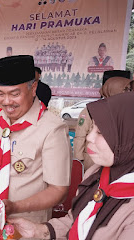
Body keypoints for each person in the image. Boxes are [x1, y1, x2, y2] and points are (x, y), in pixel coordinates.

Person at [0, 55, 71, 223]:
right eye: (0, 94)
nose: (7, 102)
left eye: (15, 94)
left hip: (25, 225)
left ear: (34, 88)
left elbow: (58, 190)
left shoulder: (53, 129)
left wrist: (16, 207)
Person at [9, 92, 134, 240]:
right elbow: (75, 221)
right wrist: (39, 230)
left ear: (128, 138)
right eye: (92, 128)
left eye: (100, 132)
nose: (89, 137)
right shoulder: (95, 174)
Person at [74, 76, 132, 171]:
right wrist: (78, 160)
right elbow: (80, 136)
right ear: (112, 89)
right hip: (92, 160)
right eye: (125, 89)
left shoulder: (124, 112)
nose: (128, 92)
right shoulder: (91, 110)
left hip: (116, 163)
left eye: (129, 89)